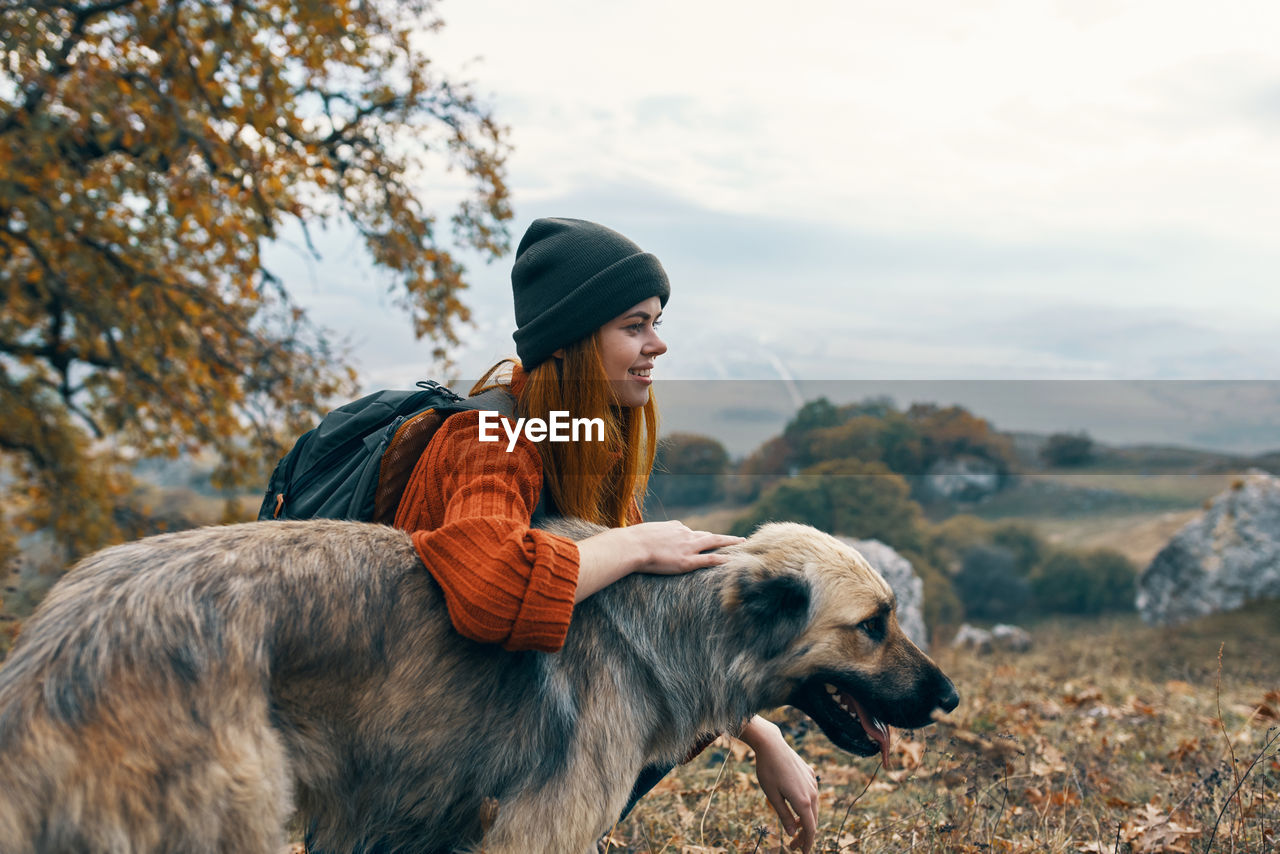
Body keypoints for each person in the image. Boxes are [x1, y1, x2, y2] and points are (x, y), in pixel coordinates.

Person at [392, 217, 820, 852]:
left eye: (656, 323)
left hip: (486, 730)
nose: (657, 345)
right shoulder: (488, 439)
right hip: (404, 751)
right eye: (633, 326)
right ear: (569, 341)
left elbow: (649, 626)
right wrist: (638, 545)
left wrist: (763, 734)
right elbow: (493, 593)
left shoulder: (582, 437)